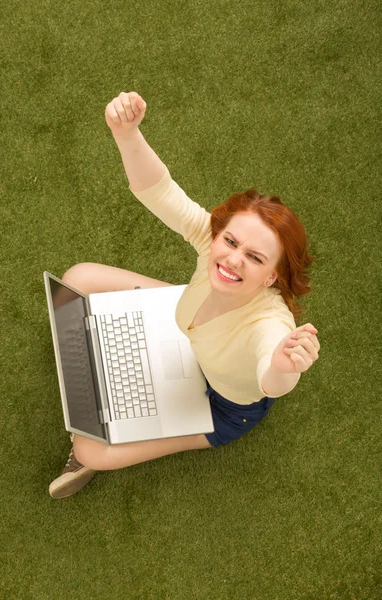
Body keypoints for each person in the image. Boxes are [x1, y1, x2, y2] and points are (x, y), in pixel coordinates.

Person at [49, 91, 320, 499]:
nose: (232, 260)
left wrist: (286, 366)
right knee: (80, 277)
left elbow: (271, 379)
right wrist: (126, 133)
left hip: (225, 407)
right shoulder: (213, 245)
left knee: (88, 447)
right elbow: (158, 190)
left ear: (271, 277)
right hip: (188, 331)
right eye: (230, 241)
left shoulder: (272, 325)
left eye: (254, 257)